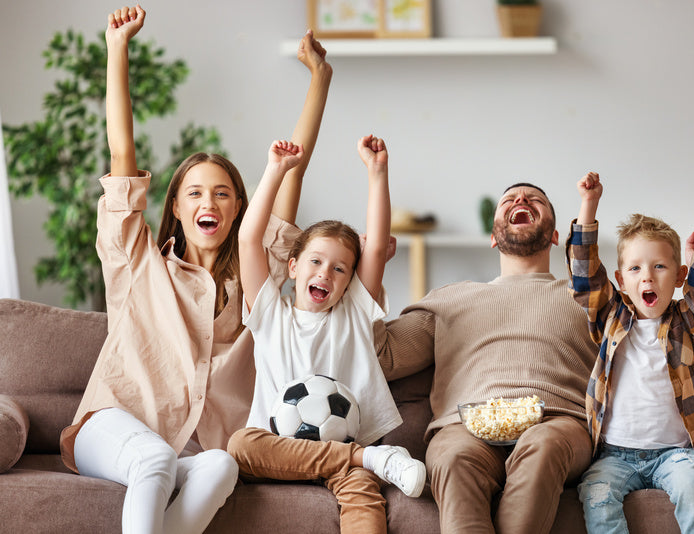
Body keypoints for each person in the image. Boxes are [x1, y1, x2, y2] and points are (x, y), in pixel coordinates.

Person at [58, 5, 333, 533]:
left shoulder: (255, 281)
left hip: (193, 447)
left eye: (224, 193)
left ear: (237, 212)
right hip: (111, 429)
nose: (210, 201)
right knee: (155, 458)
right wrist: (117, 51)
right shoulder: (136, 262)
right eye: (196, 192)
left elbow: (294, 167)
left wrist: (320, 79)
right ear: (178, 209)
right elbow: (121, 152)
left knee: (223, 464)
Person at [226, 135, 426, 534]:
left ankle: (358, 462)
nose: (325, 273)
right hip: (283, 451)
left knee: (364, 502)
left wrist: (377, 173)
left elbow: (374, 243)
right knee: (239, 446)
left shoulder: (352, 312)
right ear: (294, 266)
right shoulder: (269, 314)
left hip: (347, 441)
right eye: (316, 261)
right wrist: (276, 170)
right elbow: (249, 240)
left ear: (350, 281)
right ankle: (368, 459)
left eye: (339, 269)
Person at [373, 183, 599, 534]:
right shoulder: (450, 299)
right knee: (452, 459)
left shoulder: (586, 298)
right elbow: (382, 356)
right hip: (464, 429)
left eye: (534, 199)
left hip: (557, 423)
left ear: (556, 235)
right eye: (509, 199)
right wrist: (371, 270)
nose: (521, 200)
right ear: (494, 238)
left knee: (544, 446)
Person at [566, 167, 694, 533]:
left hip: (676, 454)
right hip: (614, 455)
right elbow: (584, 275)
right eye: (636, 268)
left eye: (659, 266)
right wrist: (588, 204)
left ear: (678, 277)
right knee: (595, 495)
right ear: (621, 281)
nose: (647, 276)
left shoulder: (688, 321)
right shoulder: (610, 317)